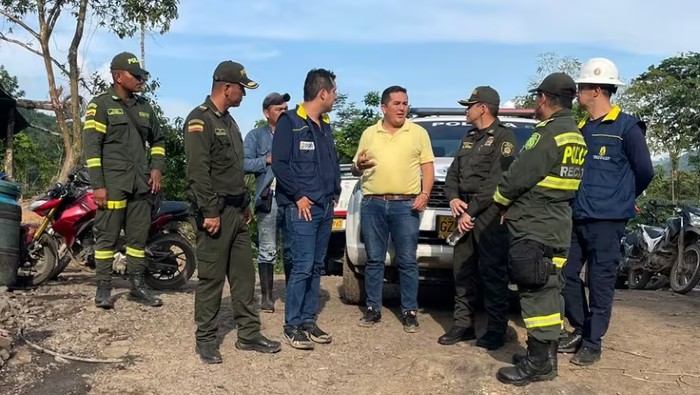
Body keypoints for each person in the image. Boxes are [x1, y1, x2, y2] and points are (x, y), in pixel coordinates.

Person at [493, 73, 587, 386]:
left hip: (536, 223)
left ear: (544, 99)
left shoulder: (548, 134)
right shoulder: (574, 134)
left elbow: (519, 175)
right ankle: (546, 361)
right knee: (550, 288)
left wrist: (500, 201)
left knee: (536, 292)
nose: (536, 103)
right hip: (558, 221)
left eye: (537, 98)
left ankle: (537, 364)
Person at [184, 60, 281, 364]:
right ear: (226, 88)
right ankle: (206, 340)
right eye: (241, 88)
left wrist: (246, 205)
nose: (244, 94)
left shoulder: (229, 121)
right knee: (212, 278)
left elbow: (235, 171)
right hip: (216, 213)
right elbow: (199, 173)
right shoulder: (200, 121)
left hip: (238, 212)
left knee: (243, 275)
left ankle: (249, 334)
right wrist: (210, 212)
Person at [560, 58, 654, 366]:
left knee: (598, 281)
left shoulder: (627, 127)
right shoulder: (582, 127)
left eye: (582, 87)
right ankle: (580, 326)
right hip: (578, 215)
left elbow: (645, 171)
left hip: (608, 221)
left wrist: (623, 198)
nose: (578, 92)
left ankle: (592, 341)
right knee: (567, 274)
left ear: (597, 90)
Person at [83, 51, 164, 309]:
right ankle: (103, 287)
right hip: (112, 185)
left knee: (138, 240)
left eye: (143, 75)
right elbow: (92, 148)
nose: (141, 79)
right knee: (106, 239)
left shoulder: (145, 108)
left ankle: (137, 286)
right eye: (136, 75)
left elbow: (159, 140)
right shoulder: (101, 105)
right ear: (118, 76)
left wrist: (157, 168)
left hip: (141, 185)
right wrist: (98, 185)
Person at [351, 85, 435, 332]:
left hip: (405, 205)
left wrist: (425, 194)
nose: (402, 108)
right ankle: (372, 309)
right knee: (375, 259)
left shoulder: (418, 133)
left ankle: (409, 310)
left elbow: (427, 168)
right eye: (397, 103)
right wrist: (359, 165)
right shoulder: (369, 133)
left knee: (407, 260)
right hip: (373, 203)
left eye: (405, 103)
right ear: (384, 107)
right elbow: (357, 167)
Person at [439, 86, 516, 350]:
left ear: (483, 108)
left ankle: (496, 329)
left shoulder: (505, 139)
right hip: (464, 212)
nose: (466, 110)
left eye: (470, 105)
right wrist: (452, 199)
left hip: (490, 214)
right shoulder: (469, 137)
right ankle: (464, 325)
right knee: (462, 271)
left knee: (493, 273)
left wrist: (470, 212)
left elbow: (496, 183)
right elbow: (452, 173)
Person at [271, 69, 340, 350]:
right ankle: (292, 325)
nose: (335, 96)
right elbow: (280, 165)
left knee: (315, 266)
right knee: (301, 266)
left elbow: (329, 163)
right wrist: (299, 195)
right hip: (302, 209)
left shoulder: (324, 125)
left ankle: (308, 321)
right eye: (334, 91)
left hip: (324, 207)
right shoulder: (290, 122)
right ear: (322, 92)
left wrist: (334, 193)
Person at [243, 92, 291, 313]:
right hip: (268, 199)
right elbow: (243, 163)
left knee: (292, 250)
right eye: (278, 109)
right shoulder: (255, 136)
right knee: (267, 249)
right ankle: (267, 297)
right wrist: (267, 160)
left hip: (292, 199)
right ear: (266, 112)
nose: (283, 112)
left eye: (285, 108)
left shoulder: (295, 134)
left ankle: (293, 295)